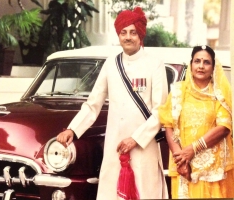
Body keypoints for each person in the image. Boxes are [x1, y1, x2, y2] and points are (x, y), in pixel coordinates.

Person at [57, 7, 168, 199]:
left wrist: (135, 139)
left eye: (133, 32)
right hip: (115, 144)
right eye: (123, 32)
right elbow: (93, 103)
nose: (128, 37)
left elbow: (161, 111)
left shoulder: (155, 64)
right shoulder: (110, 64)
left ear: (140, 35)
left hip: (144, 145)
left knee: (145, 191)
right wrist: (72, 130)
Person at [158, 45, 234, 198]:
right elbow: (169, 125)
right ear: (191, 64)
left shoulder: (219, 94)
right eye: (197, 61)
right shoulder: (178, 91)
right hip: (184, 167)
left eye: (206, 62)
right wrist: (181, 159)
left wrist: (192, 149)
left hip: (213, 170)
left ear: (213, 67)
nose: (201, 66)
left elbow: (224, 127)